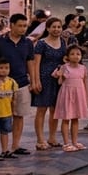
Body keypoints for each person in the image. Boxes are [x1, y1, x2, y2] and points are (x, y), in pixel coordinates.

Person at [0, 13, 35, 156]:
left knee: (19, 115)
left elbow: (30, 62)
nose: (23, 29)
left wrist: (34, 80)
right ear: (11, 25)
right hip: (0, 83)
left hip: (21, 82)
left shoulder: (27, 43)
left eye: (25, 26)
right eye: (20, 26)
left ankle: (15, 145)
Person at [30, 17, 67, 149]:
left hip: (58, 80)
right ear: (48, 28)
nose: (56, 29)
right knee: (42, 109)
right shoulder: (41, 43)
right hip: (44, 78)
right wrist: (36, 80)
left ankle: (52, 137)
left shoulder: (63, 42)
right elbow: (35, 64)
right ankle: (40, 140)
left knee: (55, 110)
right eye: (54, 27)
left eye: (59, 27)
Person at [54, 45, 88, 152]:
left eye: (78, 54)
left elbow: (85, 83)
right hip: (67, 94)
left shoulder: (83, 68)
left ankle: (74, 141)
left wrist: (87, 97)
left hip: (79, 94)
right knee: (66, 118)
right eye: (72, 54)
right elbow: (59, 82)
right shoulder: (65, 67)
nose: (75, 56)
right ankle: (66, 143)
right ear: (67, 56)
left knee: (75, 118)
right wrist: (61, 75)